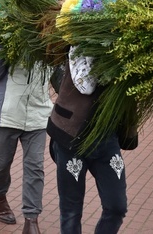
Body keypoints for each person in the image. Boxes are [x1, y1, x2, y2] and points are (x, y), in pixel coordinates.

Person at [47, 46, 128, 233]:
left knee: (117, 207)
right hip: (71, 138)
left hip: (106, 138)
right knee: (71, 212)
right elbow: (86, 86)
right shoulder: (80, 45)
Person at [0, 39, 53, 233]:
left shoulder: (48, 41)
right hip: (6, 113)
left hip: (38, 114)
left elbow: (58, 74)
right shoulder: (6, 38)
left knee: (35, 167)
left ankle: (31, 218)